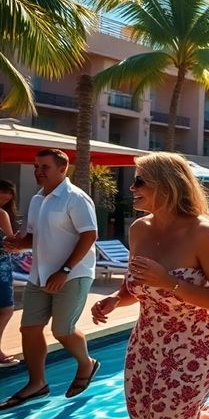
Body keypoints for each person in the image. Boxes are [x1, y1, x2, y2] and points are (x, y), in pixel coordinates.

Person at [90, 152, 209, 418]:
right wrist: (115, 298)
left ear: (166, 184)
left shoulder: (201, 232)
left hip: (194, 344)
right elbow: (136, 287)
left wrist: (171, 283)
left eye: (139, 182)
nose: (132, 188)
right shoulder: (139, 229)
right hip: (146, 343)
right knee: (141, 412)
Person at [1, 149, 99, 410]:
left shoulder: (76, 198)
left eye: (44, 167)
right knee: (29, 328)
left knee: (62, 330)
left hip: (72, 275)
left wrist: (64, 271)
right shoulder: (37, 200)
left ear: (62, 169)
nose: (38, 171)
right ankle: (37, 383)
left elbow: (89, 236)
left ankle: (87, 364)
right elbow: (31, 237)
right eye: (36, 166)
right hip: (39, 275)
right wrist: (15, 245)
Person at [0, 180, 19, 368]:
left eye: (9, 194)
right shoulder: (1, 214)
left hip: (3, 266)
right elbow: (11, 243)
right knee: (5, 309)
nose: (6, 197)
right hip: (1, 267)